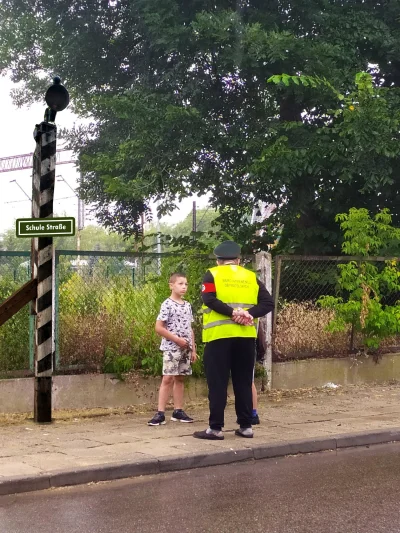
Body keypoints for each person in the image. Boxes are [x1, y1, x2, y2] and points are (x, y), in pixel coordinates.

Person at [193, 241, 273, 440]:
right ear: (238, 260)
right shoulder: (251, 277)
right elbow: (268, 302)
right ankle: (246, 426)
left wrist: (231, 312)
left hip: (219, 337)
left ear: (219, 260)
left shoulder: (212, 274)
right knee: (244, 382)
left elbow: (209, 299)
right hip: (245, 338)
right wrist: (247, 314)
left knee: (218, 383)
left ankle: (216, 428)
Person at [148, 272, 197, 426]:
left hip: (185, 349)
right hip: (171, 348)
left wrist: (193, 349)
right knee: (167, 378)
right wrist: (176, 339)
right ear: (171, 285)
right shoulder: (167, 304)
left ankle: (178, 411)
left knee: (180, 378)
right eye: (180, 283)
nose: (184, 287)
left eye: (186, 284)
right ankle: (160, 413)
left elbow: (190, 329)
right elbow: (159, 327)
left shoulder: (187, 305)